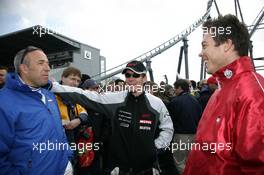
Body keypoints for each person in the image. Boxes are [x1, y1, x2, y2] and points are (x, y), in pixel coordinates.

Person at [51, 60, 174, 175]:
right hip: (119, 169)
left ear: (144, 78)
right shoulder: (116, 98)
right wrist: (54, 86)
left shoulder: (156, 103)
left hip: (147, 168)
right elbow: (86, 96)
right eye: (127, 75)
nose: (130, 79)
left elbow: (168, 128)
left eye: (135, 75)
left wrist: (155, 148)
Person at [183, 14, 264, 175]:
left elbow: (257, 167)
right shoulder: (220, 91)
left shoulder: (252, 93)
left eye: (205, 45)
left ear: (227, 45)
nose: (200, 53)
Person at [0, 46, 72, 175]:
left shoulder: (49, 95)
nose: (48, 68)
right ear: (24, 68)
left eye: (48, 64)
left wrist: (67, 156)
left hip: (64, 168)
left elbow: (59, 130)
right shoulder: (4, 101)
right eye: (41, 63)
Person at [55, 67, 90, 174]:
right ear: (62, 78)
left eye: (78, 81)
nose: (75, 83)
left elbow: (84, 112)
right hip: (56, 143)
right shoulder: (51, 95)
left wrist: (78, 120)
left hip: (72, 140)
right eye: (72, 79)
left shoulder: (74, 97)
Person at [167, 79, 202, 174]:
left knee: (180, 162)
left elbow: (170, 120)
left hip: (180, 135)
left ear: (180, 88)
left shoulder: (175, 101)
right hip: (194, 135)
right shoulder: (195, 100)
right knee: (190, 161)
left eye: (175, 88)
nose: (174, 90)